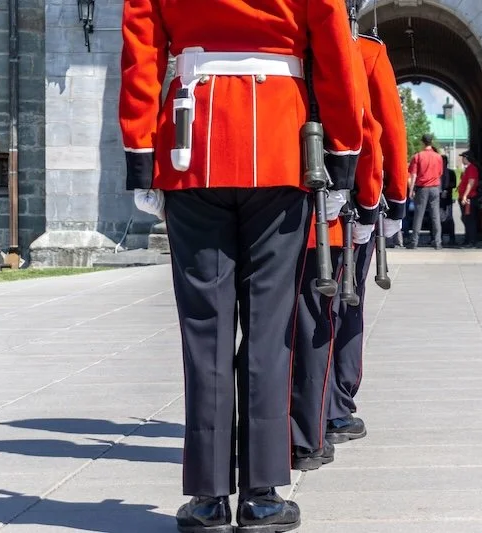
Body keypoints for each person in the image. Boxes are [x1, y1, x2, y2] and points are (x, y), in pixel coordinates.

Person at [119, 0, 363, 531]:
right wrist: (344, 153)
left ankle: (208, 497)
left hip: (192, 141)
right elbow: (334, 52)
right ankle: (262, 495)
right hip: (279, 142)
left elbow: (141, 50)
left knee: (204, 331)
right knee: (269, 331)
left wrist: (140, 155)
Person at [290, 23, 383, 471]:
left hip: (263, 197)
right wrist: (370, 202)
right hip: (327, 213)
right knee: (325, 317)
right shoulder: (356, 50)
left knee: (268, 325)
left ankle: (265, 436)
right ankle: (322, 419)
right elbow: (368, 129)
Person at [324, 26, 410, 445]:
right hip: (353, 203)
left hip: (288, 196)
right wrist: (392, 200)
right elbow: (385, 130)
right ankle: (336, 406)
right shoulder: (365, 52)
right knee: (346, 304)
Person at [407, 134, 444, 249]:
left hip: (422, 188)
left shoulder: (418, 156)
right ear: (431, 142)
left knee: (419, 215)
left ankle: (414, 242)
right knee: (435, 215)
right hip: (435, 188)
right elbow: (440, 173)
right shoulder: (438, 157)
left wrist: (411, 190)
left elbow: (413, 175)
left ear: (422, 142)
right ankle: (438, 242)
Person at [458, 150, 481, 247]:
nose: (462, 159)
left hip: (469, 198)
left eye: (463, 157)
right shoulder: (468, 168)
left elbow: (471, 183)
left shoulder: (472, 168)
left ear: (467, 158)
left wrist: (465, 195)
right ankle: (468, 239)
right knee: (466, 219)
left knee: (470, 220)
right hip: (466, 197)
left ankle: (471, 240)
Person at [439, 153, 457, 247]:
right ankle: (438, 237)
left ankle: (452, 238)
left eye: (444, 161)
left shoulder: (451, 172)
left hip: (448, 198)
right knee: (438, 218)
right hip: (439, 198)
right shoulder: (438, 172)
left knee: (449, 218)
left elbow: (454, 184)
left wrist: (446, 189)